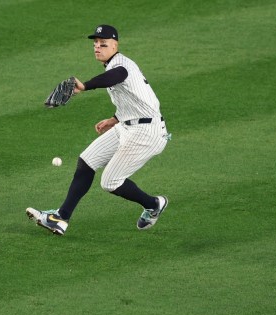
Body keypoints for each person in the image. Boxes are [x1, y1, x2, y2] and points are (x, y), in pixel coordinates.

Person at [26, 24, 171, 235]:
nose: (97, 47)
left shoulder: (121, 66)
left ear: (115, 45)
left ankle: (153, 204)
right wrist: (114, 119)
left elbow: (115, 77)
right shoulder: (112, 66)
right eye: (95, 44)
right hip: (128, 125)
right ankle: (60, 218)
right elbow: (136, 98)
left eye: (103, 44)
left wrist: (85, 86)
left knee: (110, 182)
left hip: (147, 133)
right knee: (87, 161)